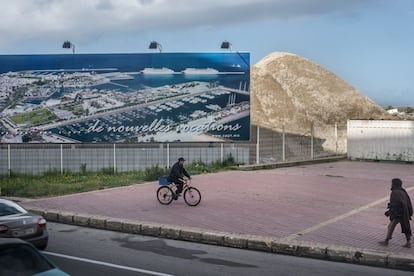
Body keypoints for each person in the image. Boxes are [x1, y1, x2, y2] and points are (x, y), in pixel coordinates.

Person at [379, 178, 413, 248]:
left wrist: (389, 212)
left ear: (394, 184)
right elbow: (408, 202)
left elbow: (395, 204)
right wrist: (409, 212)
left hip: (398, 213)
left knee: (391, 226)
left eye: (392, 183)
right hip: (404, 213)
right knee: (406, 227)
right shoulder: (403, 192)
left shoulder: (394, 192)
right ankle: (408, 242)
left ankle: (386, 241)